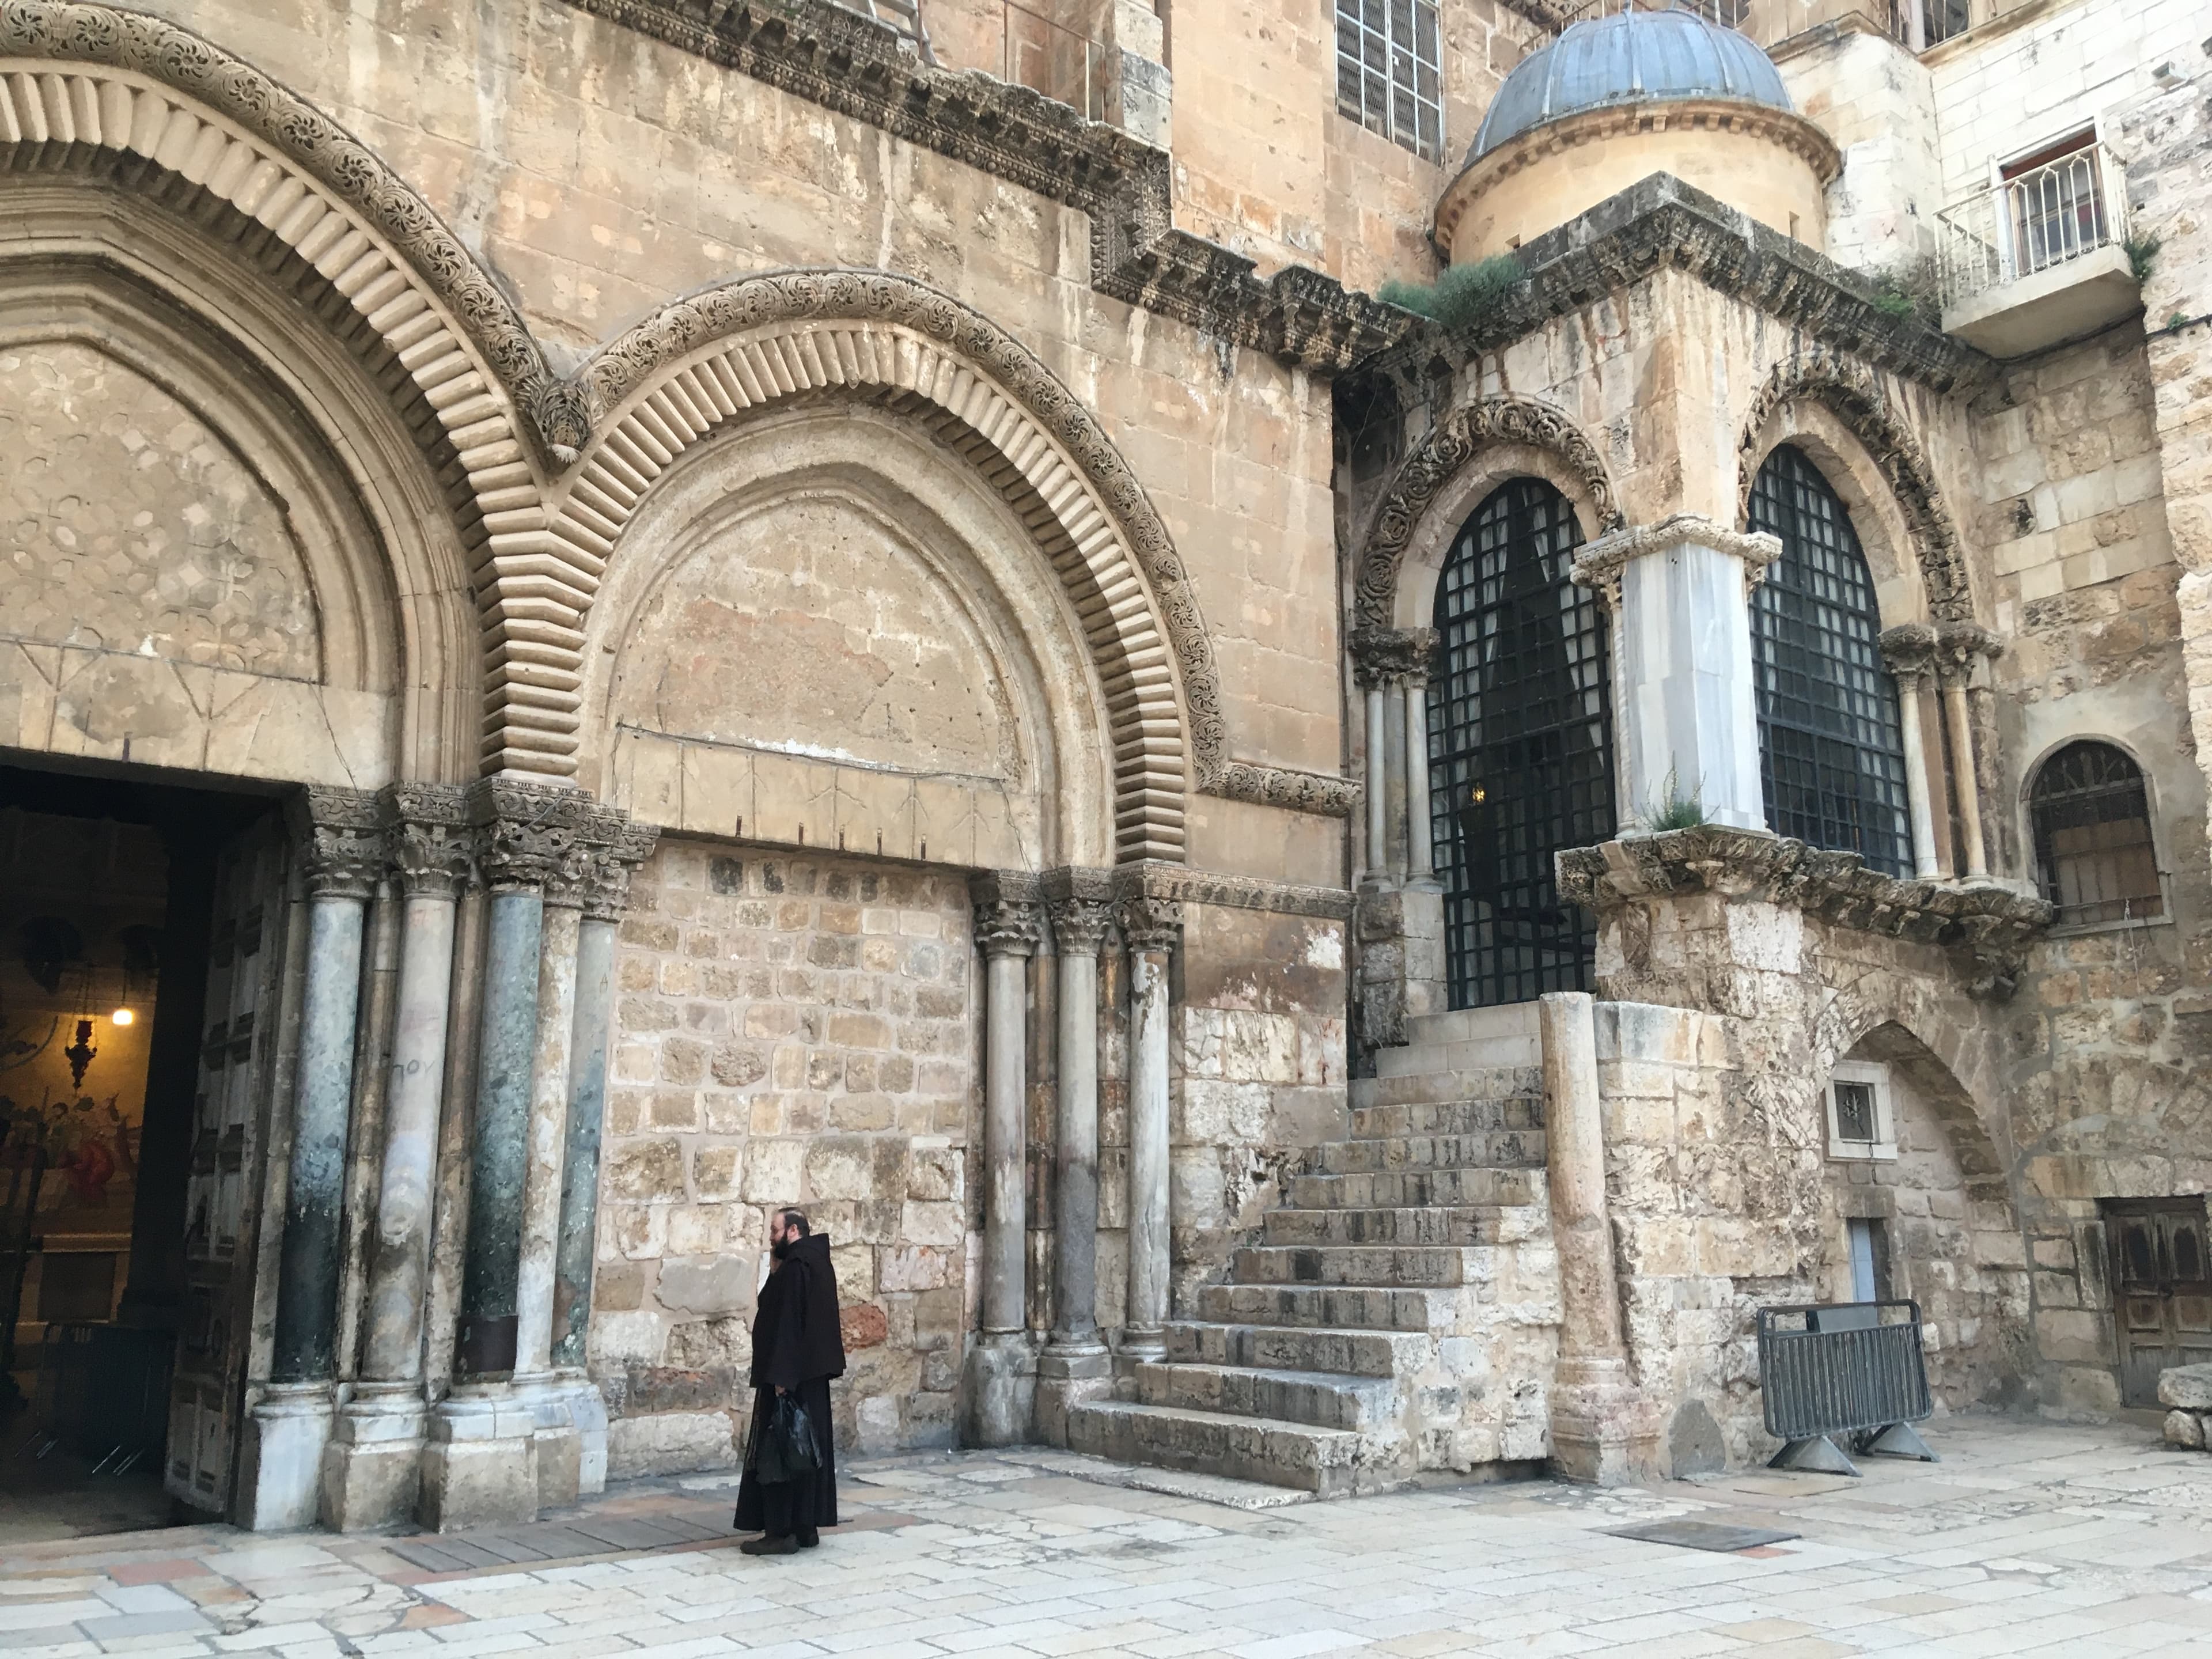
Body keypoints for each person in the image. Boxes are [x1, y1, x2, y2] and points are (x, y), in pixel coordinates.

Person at [734, 1207, 844, 1555]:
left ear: (793, 1231)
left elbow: (788, 1323)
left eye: (775, 1230)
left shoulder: (798, 1269)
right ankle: (804, 1526)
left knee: (782, 1451)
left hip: (789, 1378)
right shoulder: (814, 1263)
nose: (771, 1237)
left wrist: (782, 1376)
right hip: (807, 1379)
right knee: (804, 1449)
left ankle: (780, 1531)